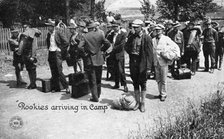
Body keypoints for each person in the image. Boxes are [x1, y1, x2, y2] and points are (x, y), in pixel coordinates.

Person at [125, 19, 153, 112]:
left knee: (143, 83)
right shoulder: (131, 37)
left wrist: (149, 67)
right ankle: (137, 102)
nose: (135, 29)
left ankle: (143, 103)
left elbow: (150, 54)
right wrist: (131, 52)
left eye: (137, 27)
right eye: (134, 27)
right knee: (135, 82)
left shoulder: (147, 38)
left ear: (141, 27)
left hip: (143, 63)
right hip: (133, 62)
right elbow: (126, 47)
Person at [78, 22, 111, 102]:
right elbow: (108, 44)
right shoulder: (100, 34)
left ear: (88, 28)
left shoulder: (85, 36)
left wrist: (85, 53)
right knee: (98, 78)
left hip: (90, 60)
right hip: (99, 59)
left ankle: (95, 97)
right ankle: (98, 94)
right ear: (94, 28)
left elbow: (79, 47)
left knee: (92, 79)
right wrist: (101, 50)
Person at [152, 24, 180, 102]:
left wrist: (176, 55)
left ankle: (164, 94)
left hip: (163, 62)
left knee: (163, 79)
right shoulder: (153, 40)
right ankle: (160, 93)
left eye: (159, 30)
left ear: (162, 31)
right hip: (156, 62)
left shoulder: (166, 39)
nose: (157, 31)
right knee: (158, 79)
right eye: (156, 30)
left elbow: (175, 46)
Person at [45, 20, 70, 93]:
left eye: (49, 26)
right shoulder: (48, 34)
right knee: (53, 71)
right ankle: (56, 87)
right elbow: (48, 43)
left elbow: (66, 42)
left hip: (57, 53)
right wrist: (49, 48)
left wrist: (60, 50)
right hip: (51, 53)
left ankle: (66, 87)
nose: (48, 28)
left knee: (59, 71)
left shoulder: (58, 32)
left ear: (52, 27)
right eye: (48, 26)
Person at [17, 21, 41, 89]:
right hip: (26, 54)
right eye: (23, 27)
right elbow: (22, 44)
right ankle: (32, 83)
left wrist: (33, 56)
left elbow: (34, 46)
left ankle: (33, 84)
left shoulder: (32, 34)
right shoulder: (25, 35)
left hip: (30, 54)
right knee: (29, 69)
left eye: (26, 27)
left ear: (29, 27)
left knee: (32, 69)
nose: (24, 28)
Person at [107, 21, 128, 92]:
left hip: (119, 54)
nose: (115, 28)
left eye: (116, 26)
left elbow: (122, 45)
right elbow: (107, 42)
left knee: (121, 70)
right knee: (115, 69)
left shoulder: (123, 34)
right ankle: (116, 84)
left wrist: (113, 48)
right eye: (113, 27)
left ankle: (124, 85)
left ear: (119, 27)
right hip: (113, 54)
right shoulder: (111, 34)